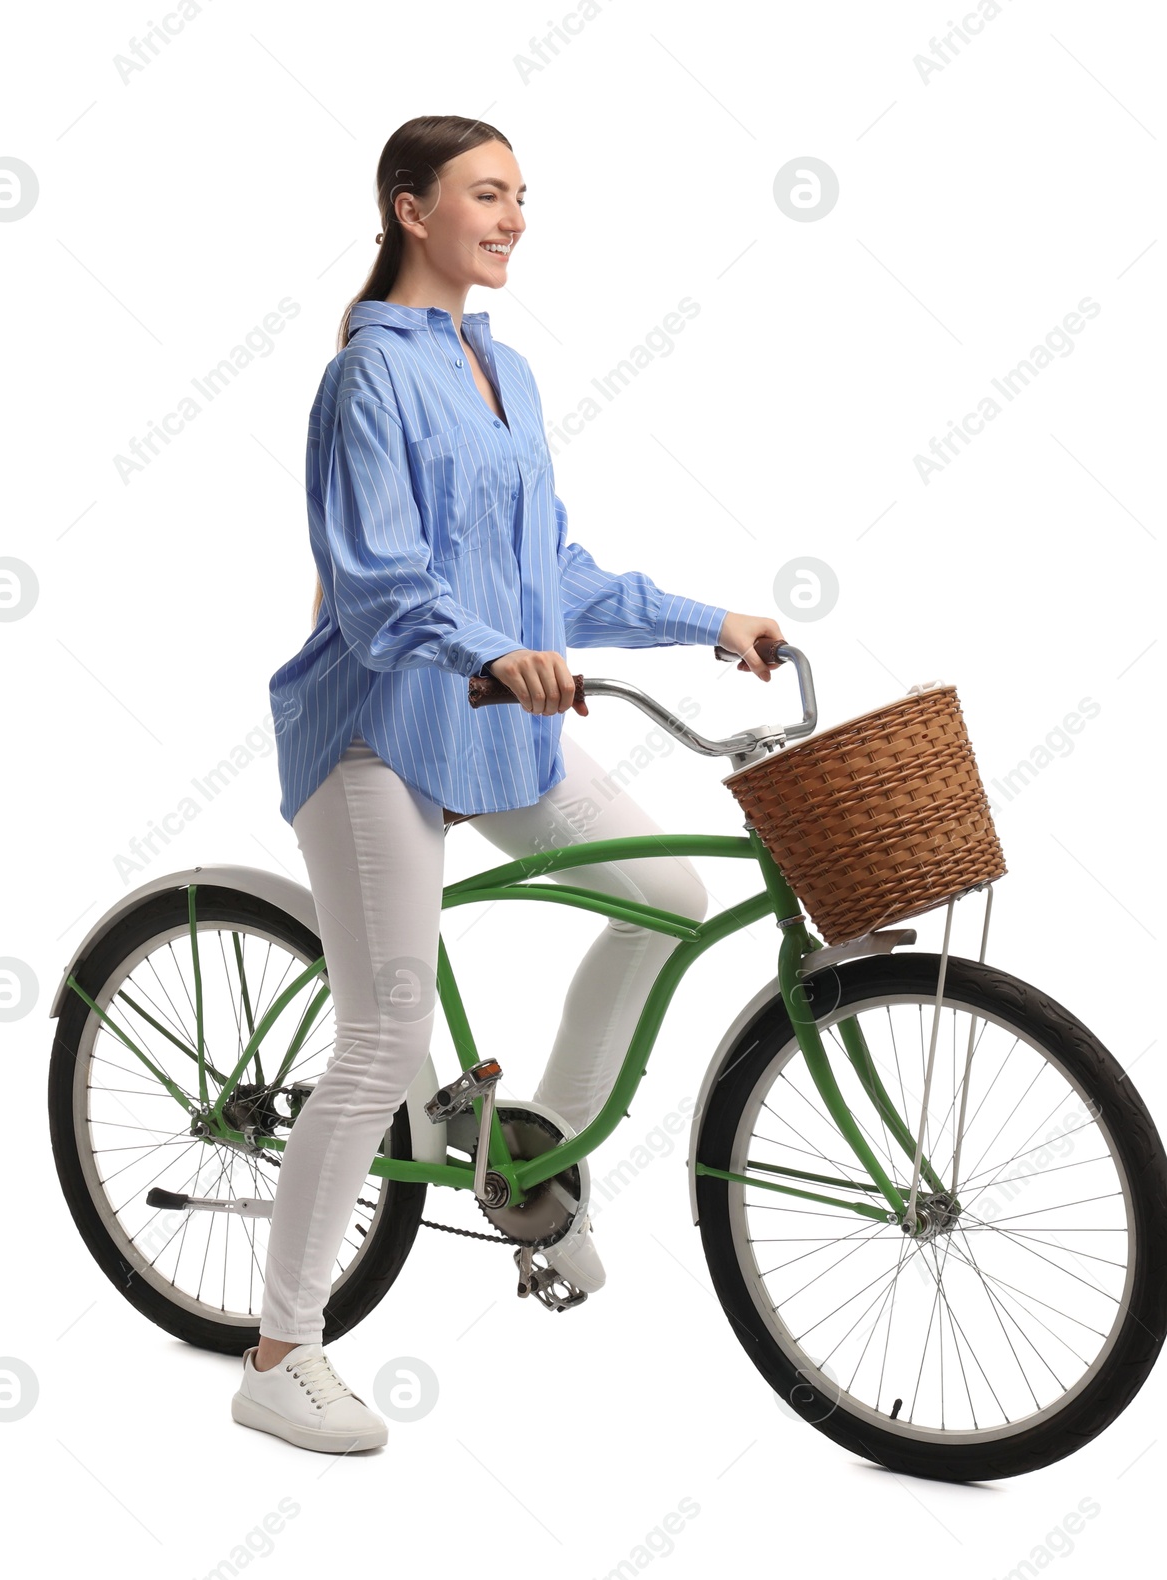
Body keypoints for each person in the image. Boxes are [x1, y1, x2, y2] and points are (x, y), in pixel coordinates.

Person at [238, 114, 784, 1455]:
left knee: (665, 888)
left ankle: (524, 1147)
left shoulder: (506, 369)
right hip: (378, 719)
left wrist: (710, 620)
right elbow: (375, 587)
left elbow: (557, 576)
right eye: (489, 193)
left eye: (524, 196)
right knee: (383, 1031)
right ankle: (279, 1351)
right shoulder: (366, 379)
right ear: (410, 208)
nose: (514, 216)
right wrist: (491, 648)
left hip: (495, 720)